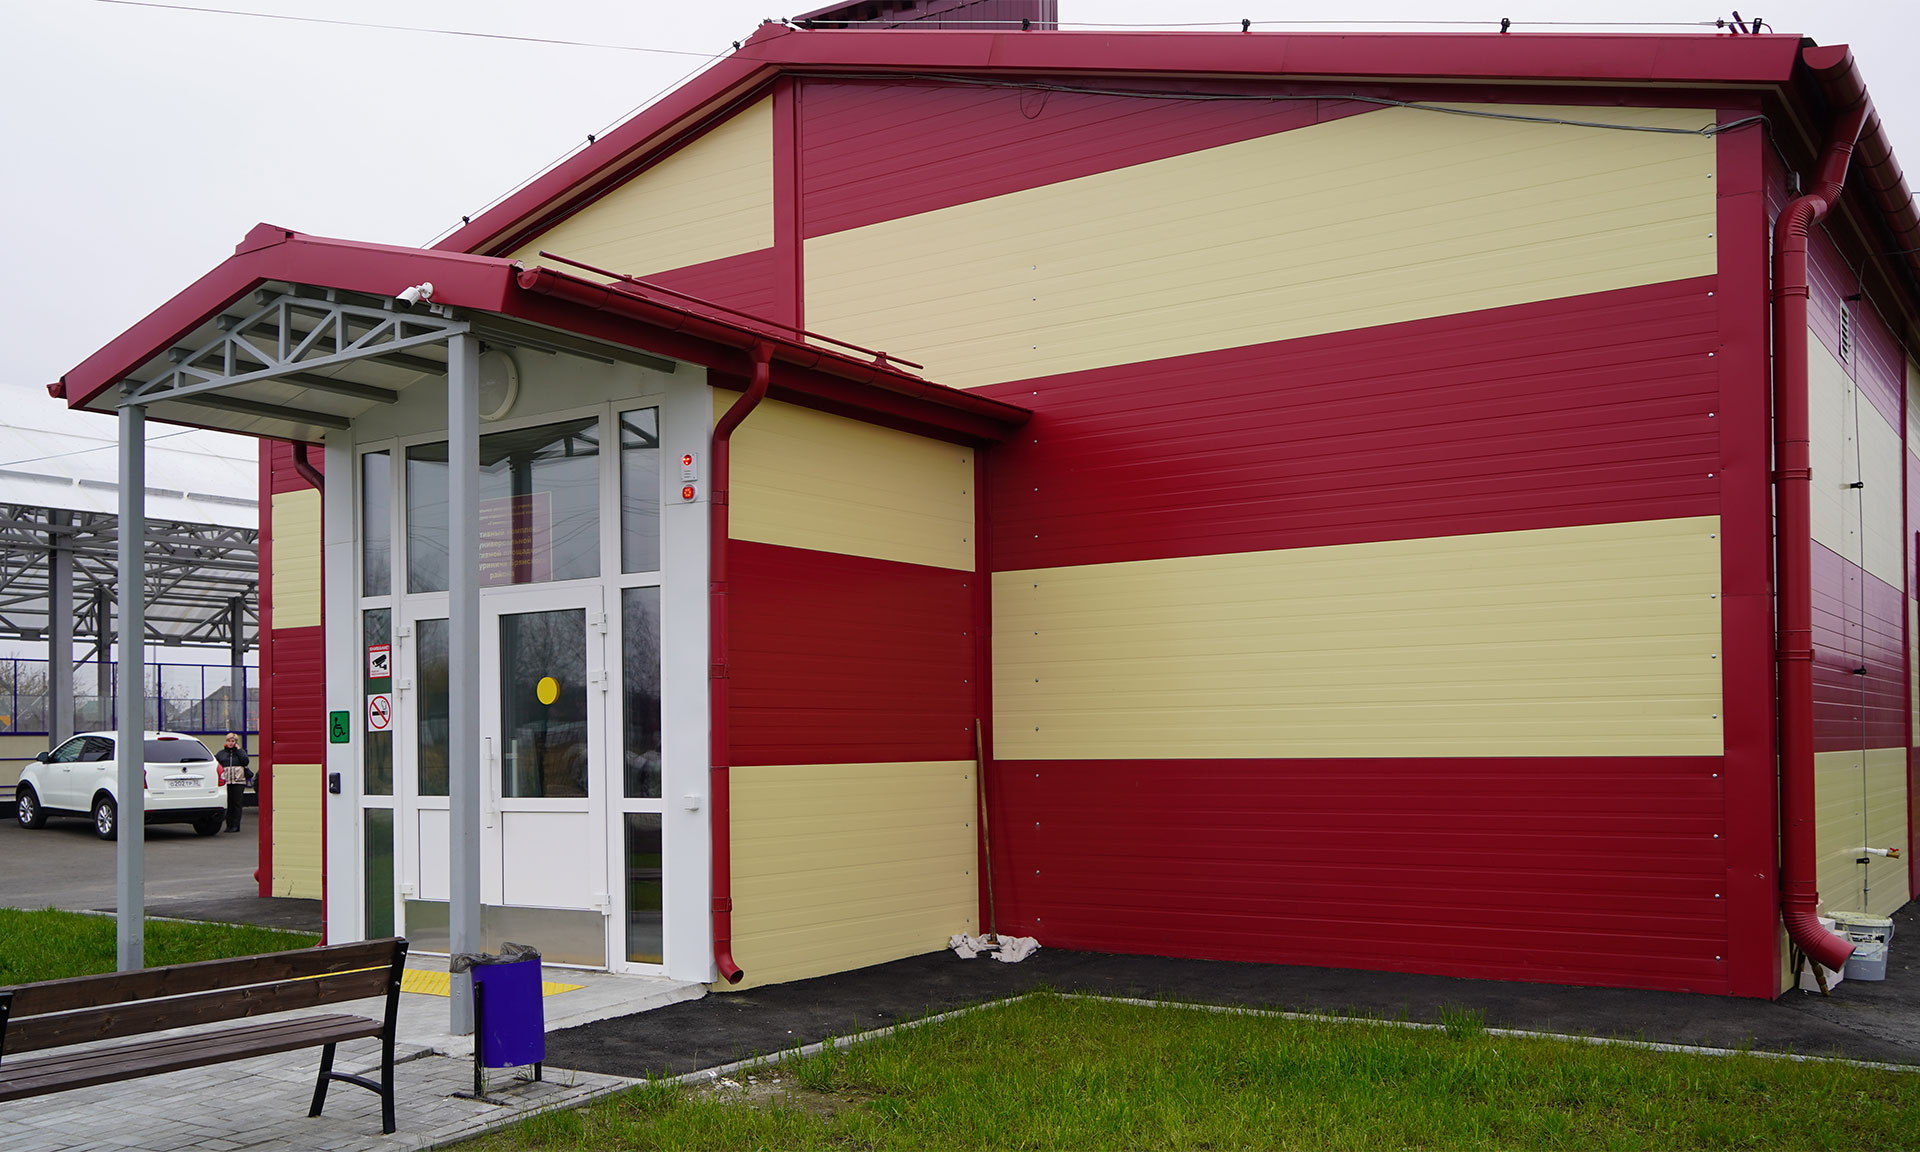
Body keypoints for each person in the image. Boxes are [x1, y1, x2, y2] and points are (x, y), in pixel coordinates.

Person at [217, 733, 251, 833]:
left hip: (238, 781)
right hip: (226, 782)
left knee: (237, 804)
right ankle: (229, 825)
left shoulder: (240, 753)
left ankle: (236, 825)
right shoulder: (221, 753)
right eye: (229, 741)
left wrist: (239, 750)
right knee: (229, 803)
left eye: (233, 741)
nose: (230, 743)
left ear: (236, 742)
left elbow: (245, 761)